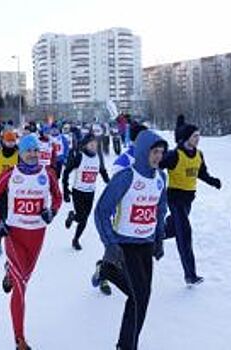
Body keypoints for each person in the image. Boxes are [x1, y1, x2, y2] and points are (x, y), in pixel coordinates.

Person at [0, 134, 62, 350]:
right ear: (21, 152)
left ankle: (9, 271)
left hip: (37, 236)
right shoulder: (11, 174)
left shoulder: (48, 174)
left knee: (24, 278)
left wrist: (52, 212)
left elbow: (58, 197)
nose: (32, 154)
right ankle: (19, 339)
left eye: (35, 150)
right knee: (21, 286)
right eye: (28, 150)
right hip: (14, 235)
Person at [91, 129, 167, 350]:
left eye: (161, 153)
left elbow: (160, 210)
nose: (158, 157)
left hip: (145, 244)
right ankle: (126, 346)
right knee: (139, 298)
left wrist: (159, 239)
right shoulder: (126, 177)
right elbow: (101, 211)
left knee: (142, 295)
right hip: (125, 245)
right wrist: (111, 243)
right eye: (154, 152)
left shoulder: (161, 178)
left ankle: (107, 271)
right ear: (143, 151)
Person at [160, 122, 221, 285]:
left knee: (173, 229)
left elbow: (201, 173)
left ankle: (152, 240)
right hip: (175, 199)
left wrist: (213, 181)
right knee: (184, 235)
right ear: (187, 137)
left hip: (188, 200)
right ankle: (190, 275)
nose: (198, 138)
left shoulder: (199, 154)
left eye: (198, 135)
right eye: (195, 135)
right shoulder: (175, 155)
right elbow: (157, 164)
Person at [62, 133, 110, 250]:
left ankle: (75, 239)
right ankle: (74, 219)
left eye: (95, 144)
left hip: (90, 192)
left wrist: (110, 184)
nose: (94, 146)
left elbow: (103, 172)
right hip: (78, 191)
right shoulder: (80, 157)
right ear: (85, 145)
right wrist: (65, 190)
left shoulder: (98, 158)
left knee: (84, 219)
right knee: (82, 217)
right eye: (91, 144)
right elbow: (66, 171)